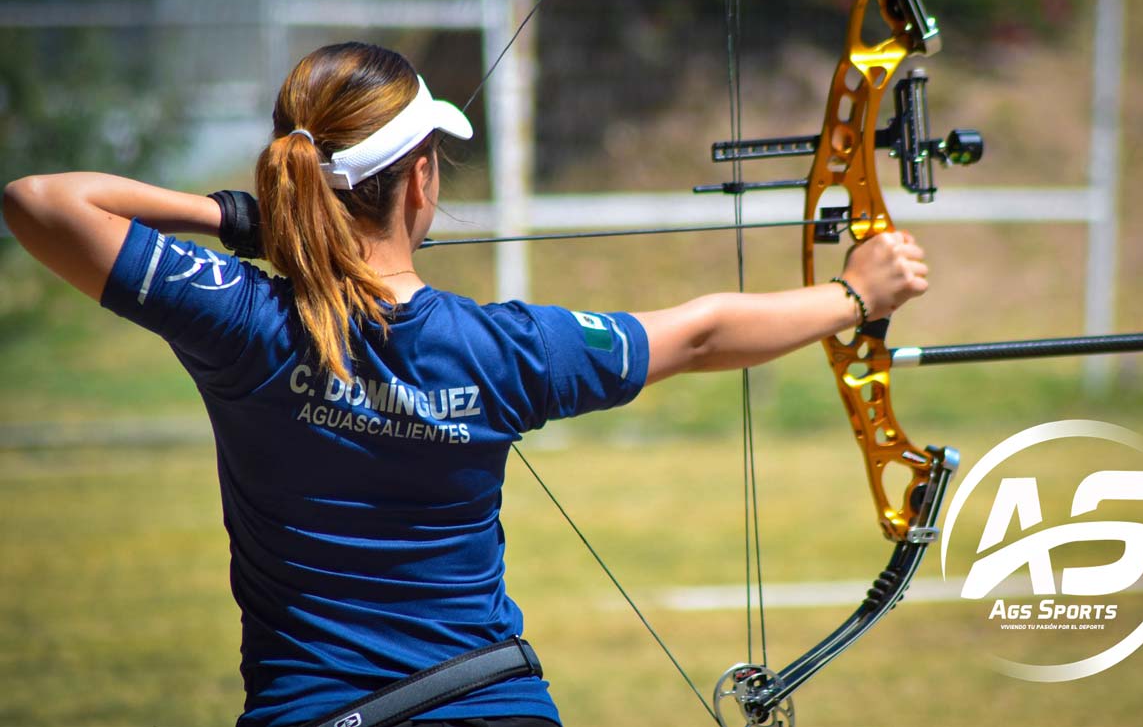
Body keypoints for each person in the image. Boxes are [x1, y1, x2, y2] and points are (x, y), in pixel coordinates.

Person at [2, 42, 928, 727]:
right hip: (490, 703)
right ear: (418, 180)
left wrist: (236, 218)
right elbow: (702, 333)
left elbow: (40, 201)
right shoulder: (500, 350)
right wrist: (857, 291)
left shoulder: (241, 319)